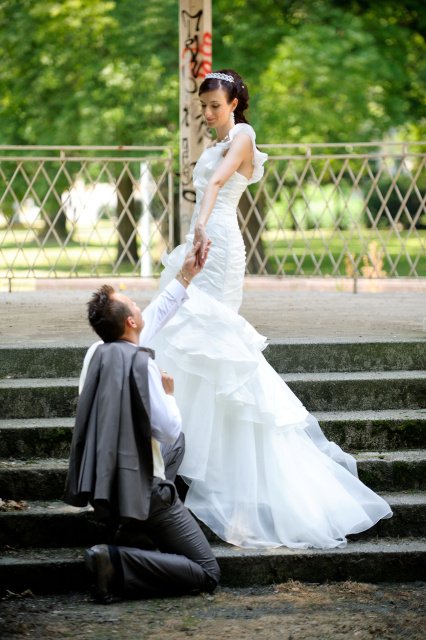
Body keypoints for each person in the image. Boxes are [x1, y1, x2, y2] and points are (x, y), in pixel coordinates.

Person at [148, 69, 392, 549]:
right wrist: (195, 231)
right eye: (203, 107)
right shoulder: (221, 139)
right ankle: (187, 457)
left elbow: (217, 183)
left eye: (215, 106)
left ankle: (227, 479)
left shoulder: (243, 135)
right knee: (181, 338)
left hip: (218, 245)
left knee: (215, 345)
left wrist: (200, 228)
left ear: (234, 104)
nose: (208, 114)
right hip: (203, 240)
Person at [64, 242, 220, 603]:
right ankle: (117, 560)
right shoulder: (142, 364)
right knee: (207, 572)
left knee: (175, 449)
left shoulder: (96, 353)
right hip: (144, 488)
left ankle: (132, 531)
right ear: (131, 322)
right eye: (133, 303)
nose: (138, 304)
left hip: (104, 485)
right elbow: (168, 429)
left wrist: (185, 276)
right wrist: (168, 394)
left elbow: (153, 316)